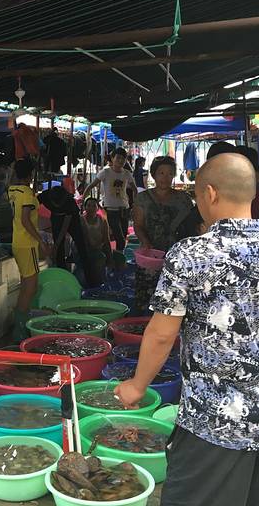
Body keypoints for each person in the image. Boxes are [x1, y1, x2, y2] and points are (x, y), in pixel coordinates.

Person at [115, 153, 259, 506]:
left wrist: (137, 386)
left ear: (210, 194)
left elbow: (162, 333)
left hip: (215, 420)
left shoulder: (192, 254)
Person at [132, 156, 192, 312]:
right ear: (153, 174)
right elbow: (138, 225)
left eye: (169, 173)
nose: (165, 177)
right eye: (161, 173)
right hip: (150, 256)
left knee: (174, 298)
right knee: (145, 297)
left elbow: (191, 226)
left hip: (178, 256)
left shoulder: (183, 199)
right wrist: (146, 243)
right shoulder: (142, 198)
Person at [8, 159, 51, 341]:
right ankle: (19, 328)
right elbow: (26, 220)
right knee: (30, 288)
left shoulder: (12, 190)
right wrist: (41, 240)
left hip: (17, 241)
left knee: (26, 285)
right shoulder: (26, 193)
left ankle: (21, 323)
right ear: (30, 174)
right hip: (27, 243)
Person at [82, 147, 137, 252]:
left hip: (124, 209)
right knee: (119, 238)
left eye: (123, 159)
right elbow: (91, 185)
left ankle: (118, 256)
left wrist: (135, 205)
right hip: (110, 210)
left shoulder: (127, 173)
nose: (121, 161)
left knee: (123, 236)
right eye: (118, 158)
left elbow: (134, 189)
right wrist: (83, 199)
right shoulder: (105, 172)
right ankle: (117, 256)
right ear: (112, 158)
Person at [38, 185, 92, 285]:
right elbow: (33, 206)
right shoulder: (44, 196)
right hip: (56, 218)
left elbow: (64, 227)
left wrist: (56, 245)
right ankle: (62, 279)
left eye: (60, 204)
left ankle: (91, 279)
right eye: (55, 204)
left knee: (82, 247)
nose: (58, 206)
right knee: (59, 253)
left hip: (72, 220)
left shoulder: (70, 201)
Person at [81, 197, 112, 287]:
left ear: (97, 208)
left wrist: (110, 258)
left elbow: (106, 240)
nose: (91, 208)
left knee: (102, 259)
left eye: (94, 206)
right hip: (84, 250)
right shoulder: (81, 220)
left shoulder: (102, 220)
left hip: (98, 249)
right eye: (88, 205)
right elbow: (84, 239)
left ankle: (99, 284)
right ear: (85, 207)